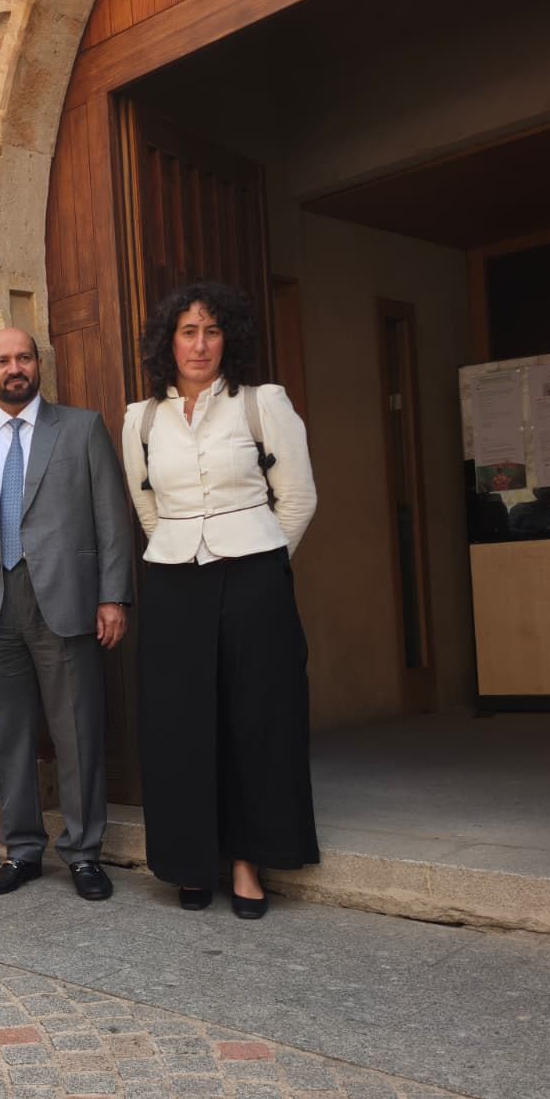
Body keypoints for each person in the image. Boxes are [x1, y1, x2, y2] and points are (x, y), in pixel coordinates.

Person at [121, 280, 319, 919]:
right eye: (188, 332)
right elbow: (147, 506)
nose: (200, 344)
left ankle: (247, 863)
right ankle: (191, 861)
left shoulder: (263, 404)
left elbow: (298, 498)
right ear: (169, 342)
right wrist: (182, 550)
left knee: (255, 722)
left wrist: (263, 560)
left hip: (254, 577)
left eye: (211, 331)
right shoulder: (141, 419)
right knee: (179, 725)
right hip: (174, 582)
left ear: (227, 338)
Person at [0, 327, 133, 901]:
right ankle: (21, 849)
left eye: (23, 357)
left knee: (77, 730)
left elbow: (112, 519)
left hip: (66, 600)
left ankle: (84, 852)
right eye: (2, 361)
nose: (14, 368)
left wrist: (113, 596)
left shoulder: (81, 428)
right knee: (8, 735)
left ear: (37, 365)